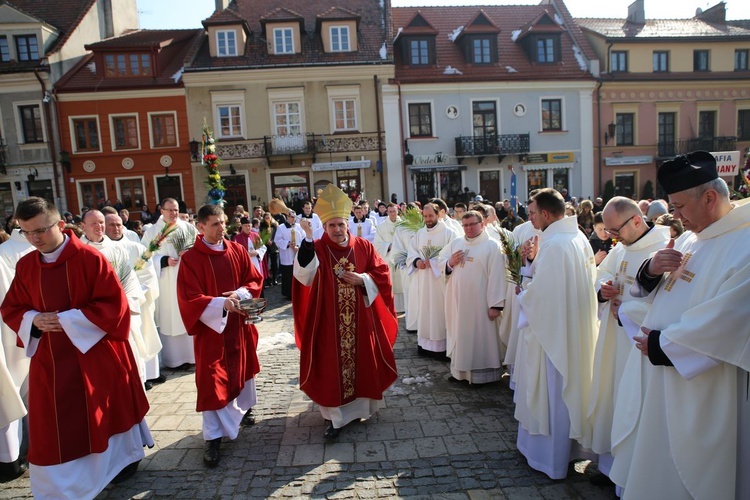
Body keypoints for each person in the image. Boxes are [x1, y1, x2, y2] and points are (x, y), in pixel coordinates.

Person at [609, 151, 750, 499]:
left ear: (710, 197)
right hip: (662, 373)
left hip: (704, 382)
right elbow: (661, 292)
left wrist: (661, 345)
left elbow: (730, 317)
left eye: (680, 206)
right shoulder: (690, 238)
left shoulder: (744, 245)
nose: (675, 216)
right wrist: (652, 269)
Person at [0, 197, 152, 497]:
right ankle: (61, 485)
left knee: (100, 416)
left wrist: (67, 320)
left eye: (40, 231)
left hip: (94, 355)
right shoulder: (27, 263)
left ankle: (114, 465)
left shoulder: (89, 259)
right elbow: (12, 307)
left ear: (59, 224)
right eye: (26, 232)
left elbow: (114, 307)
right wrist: (34, 319)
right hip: (51, 358)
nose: (34, 239)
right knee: (54, 426)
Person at [292, 185, 398, 440]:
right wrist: (307, 242)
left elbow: (382, 274)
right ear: (325, 227)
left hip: (361, 320)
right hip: (329, 321)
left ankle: (363, 408)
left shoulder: (363, 246)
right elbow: (304, 274)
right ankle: (335, 418)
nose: (337, 230)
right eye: (332, 226)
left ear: (347, 223)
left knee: (362, 359)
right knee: (332, 366)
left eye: (341, 224)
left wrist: (363, 280)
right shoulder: (317, 248)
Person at [514, 188, 598, 480]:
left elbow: (540, 294)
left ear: (546, 214)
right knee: (568, 390)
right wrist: (530, 264)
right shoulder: (577, 239)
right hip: (571, 329)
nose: (531, 217)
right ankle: (569, 450)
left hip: (551, 334)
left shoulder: (555, 246)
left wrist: (522, 292)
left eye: (533, 213)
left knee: (552, 392)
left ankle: (550, 458)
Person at [586, 197, 670, 484]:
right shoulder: (623, 246)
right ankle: (610, 467)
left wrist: (628, 311)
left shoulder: (663, 248)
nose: (612, 237)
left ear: (636, 220)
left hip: (637, 344)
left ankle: (629, 475)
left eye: (614, 230)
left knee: (633, 403)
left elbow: (666, 303)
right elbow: (603, 271)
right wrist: (602, 287)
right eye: (608, 232)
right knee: (611, 397)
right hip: (613, 339)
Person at [177, 204, 263, 467]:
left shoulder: (236, 250)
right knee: (212, 381)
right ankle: (213, 437)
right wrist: (219, 305)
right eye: (215, 224)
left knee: (243, 369)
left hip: (238, 327)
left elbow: (254, 280)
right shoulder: (191, 259)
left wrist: (240, 294)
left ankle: (243, 409)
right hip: (211, 332)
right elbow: (189, 297)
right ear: (200, 227)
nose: (222, 228)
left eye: (223, 222)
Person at [81, 211, 151, 384]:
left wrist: (127, 304)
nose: (99, 227)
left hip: (122, 313)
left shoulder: (116, 248)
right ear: (83, 227)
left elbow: (130, 280)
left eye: (101, 222)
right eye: (93, 223)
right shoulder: (79, 251)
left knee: (130, 361)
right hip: (96, 317)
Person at [439, 210, 507, 384]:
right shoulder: (456, 243)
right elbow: (442, 261)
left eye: (472, 224)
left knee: (480, 336)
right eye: (465, 225)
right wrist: (449, 263)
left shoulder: (492, 246)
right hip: (459, 303)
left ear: (482, 224)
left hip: (481, 304)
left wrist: (496, 305)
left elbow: (498, 276)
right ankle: (460, 373)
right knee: (460, 334)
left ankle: (482, 376)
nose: (468, 228)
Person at [105, 213, 164, 389]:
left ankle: (146, 376)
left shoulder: (135, 248)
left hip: (137, 302)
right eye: (111, 225)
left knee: (141, 338)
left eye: (118, 225)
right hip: (112, 308)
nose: (116, 229)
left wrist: (135, 295)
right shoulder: (97, 251)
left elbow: (148, 274)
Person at [140, 198, 198, 369]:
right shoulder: (153, 232)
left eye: (176, 210)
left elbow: (199, 248)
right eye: (170, 210)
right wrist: (163, 260)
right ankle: (174, 361)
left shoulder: (187, 228)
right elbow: (144, 257)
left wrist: (189, 253)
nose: (173, 213)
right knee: (170, 317)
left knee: (187, 315)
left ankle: (192, 357)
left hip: (187, 279)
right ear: (161, 211)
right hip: (166, 281)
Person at [0, 224, 32, 481]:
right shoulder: (6, 254)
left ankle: (17, 453)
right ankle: (10, 458)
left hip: (13, 338)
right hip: (10, 338)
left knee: (19, 392)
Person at [406, 203, 459, 359]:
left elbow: (453, 256)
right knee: (425, 310)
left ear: (438, 215)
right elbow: (412, 252)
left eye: (431, 216)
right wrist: (417, 262)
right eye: (426, 216)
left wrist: (435, 263)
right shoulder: (420, 233)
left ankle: (442, 347)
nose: (428, 219)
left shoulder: (449, 233)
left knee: (439, 312)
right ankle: (425, 345)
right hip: (423, 281)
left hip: (440, 282)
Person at [373, 203, 404, 313]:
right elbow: (376, 243)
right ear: (387, 212)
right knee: (392, 281)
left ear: (398, 211)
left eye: (394, 211)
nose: (392, 214)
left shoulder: (404, 225)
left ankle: (403, 306)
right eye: (390, 212)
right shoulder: (382, 226)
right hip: (389, 256)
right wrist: (389, 246)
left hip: (401, 258)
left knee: (402, 280)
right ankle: (393, 306)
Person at [275, 210, 305, 300]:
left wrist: (298, 246)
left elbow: (303, 238)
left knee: (298, 274)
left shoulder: (299, 227)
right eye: (292, 217)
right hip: (287, 255)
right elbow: (277, 240)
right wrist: (287, 244)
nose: (293, 219)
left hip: (297, 253)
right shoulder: (281, 228)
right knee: (288, 275)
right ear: (287, 217)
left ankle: (299, 292)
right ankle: (289, 293)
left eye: (295, 217)